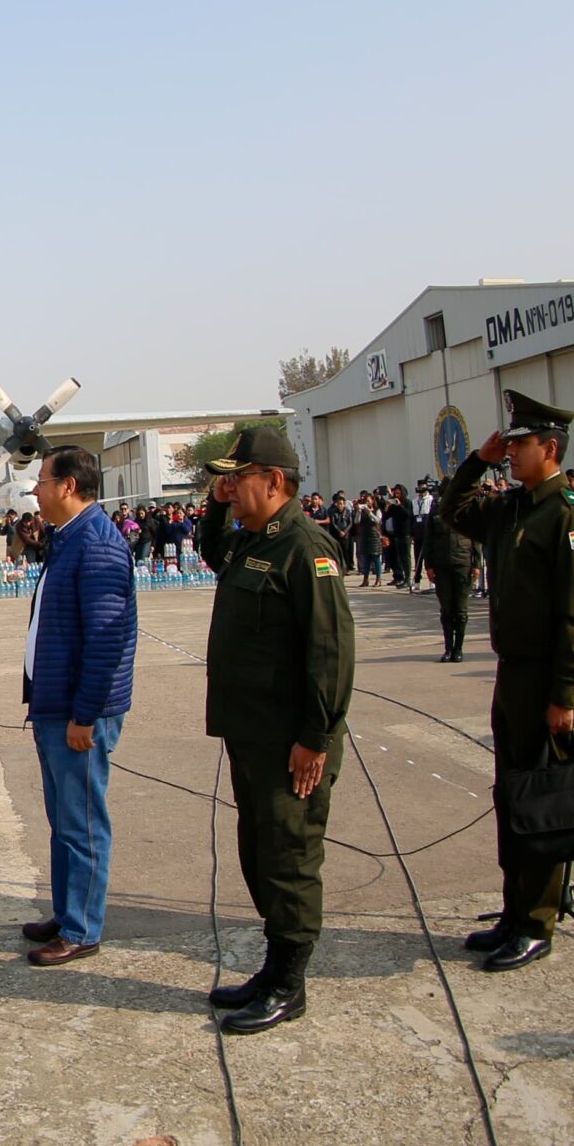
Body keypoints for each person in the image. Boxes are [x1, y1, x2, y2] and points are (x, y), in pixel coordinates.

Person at [194, 426, 355, 1032]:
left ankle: (290, 983)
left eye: (239, 479)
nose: (230, 489)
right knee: (258, 852)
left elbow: (331, 653)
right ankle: (272, 967)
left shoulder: (304, 548)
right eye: (225, 480)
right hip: (251, 735)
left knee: (289, 859)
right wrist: (215, 500)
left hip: (291, 743)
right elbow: (214, 552)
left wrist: (316, 738)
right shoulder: (253, 542)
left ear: (276, 481)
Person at [440, 391, 574, 971]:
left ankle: (538, 920)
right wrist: (477, 462)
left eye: (520, 444)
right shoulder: (512, 509)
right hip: (511, 675)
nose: (511, 452)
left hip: (542, 680)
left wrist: (565, 698)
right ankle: (514, 912)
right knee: (513, 794)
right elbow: (452, 512)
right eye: (508, 443)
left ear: (549, 448)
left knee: (542, 799)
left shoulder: (567, 517)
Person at [17, 446, 137, 966]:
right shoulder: (68, 540)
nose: (36, 490)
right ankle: (68, 912)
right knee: (64, 818)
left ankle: (82, 928)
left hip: (76, 712)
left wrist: (84, 715)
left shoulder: (98, 545)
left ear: (68, 486)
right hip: (54, 706)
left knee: (83, 820)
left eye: (42, 481)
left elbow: (107, 644)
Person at [425, 491, 476, 662]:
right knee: (446, 610)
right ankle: (448, 648)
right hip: (441, 564)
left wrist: (476, 565)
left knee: (461, 611)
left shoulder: (466, 510)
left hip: (462, 563)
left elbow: (476, 538)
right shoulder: (436, 511)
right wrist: (429, 565)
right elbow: (428, 539)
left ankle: (458, 649)